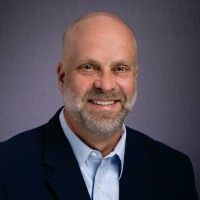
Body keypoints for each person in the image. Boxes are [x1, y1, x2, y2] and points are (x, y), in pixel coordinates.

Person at [0, 12, 198, 200]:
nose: (106, 85)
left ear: (135, 79)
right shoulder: (6, 167)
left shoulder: (175, 171)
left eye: (120, 69)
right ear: (62, 77)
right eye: (88, 67)